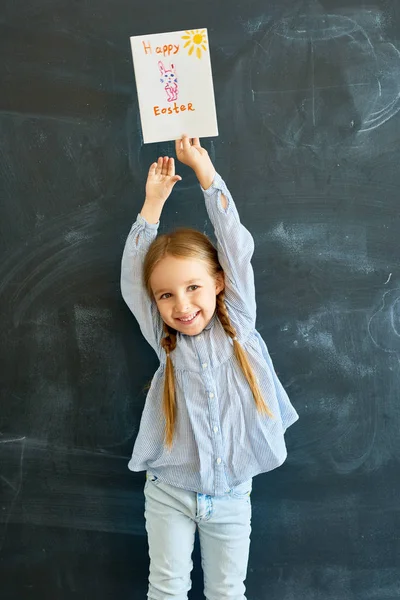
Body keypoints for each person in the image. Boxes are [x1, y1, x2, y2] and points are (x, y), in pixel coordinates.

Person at [120, 136, 299, 600]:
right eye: (166, 295)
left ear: (219, 282)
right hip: (169, 492)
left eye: (193, 287)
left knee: (226, 592)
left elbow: (235, 244)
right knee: (166, 589)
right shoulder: (165, 341)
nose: (181, 305)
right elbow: (132, 278)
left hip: (232, 494)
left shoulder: (238, 318)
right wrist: (151, 206)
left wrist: (205, 173)